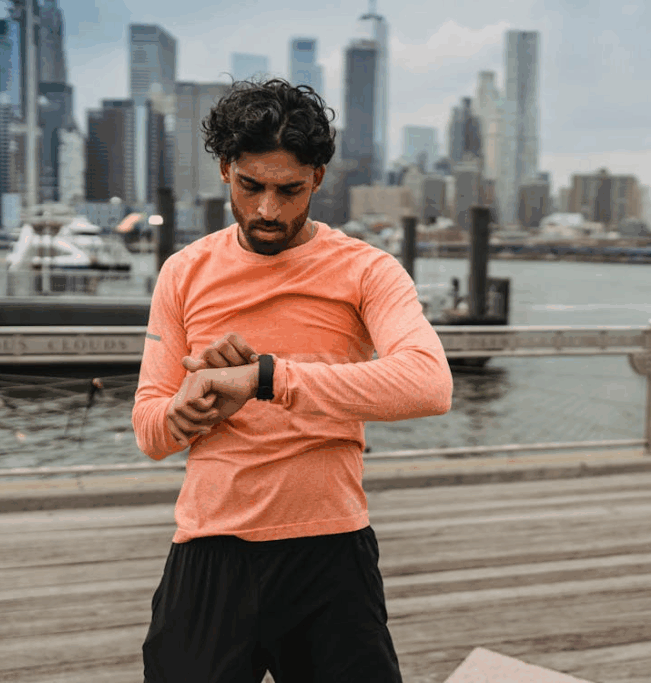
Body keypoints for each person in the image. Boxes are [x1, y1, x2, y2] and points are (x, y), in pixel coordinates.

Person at [132, 78, 453, 683]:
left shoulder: (367, 270)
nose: (268, 210)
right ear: (226, 169)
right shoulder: (183, 272)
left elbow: (429, 383)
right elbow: (151, 432)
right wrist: (189, 408)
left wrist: (264, 380)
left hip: (330, 550)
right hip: (210, 550)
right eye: (251, 186)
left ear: (320, 180)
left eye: (290, 190)